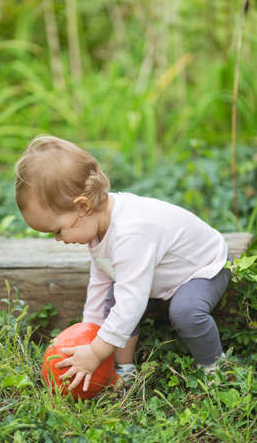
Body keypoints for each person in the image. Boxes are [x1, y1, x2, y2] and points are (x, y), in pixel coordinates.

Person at [15, 135, 231, 393]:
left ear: (82, 207)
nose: (58, 239)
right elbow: (100, 283)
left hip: (202, 268)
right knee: (112, 298)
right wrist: (89, 333)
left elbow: (132, 302)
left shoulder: (131, 234)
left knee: (185, 312)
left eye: (58, 230)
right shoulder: (97, 227)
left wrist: (96, 352)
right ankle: (124, 370)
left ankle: (214, 367)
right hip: (158, 276)